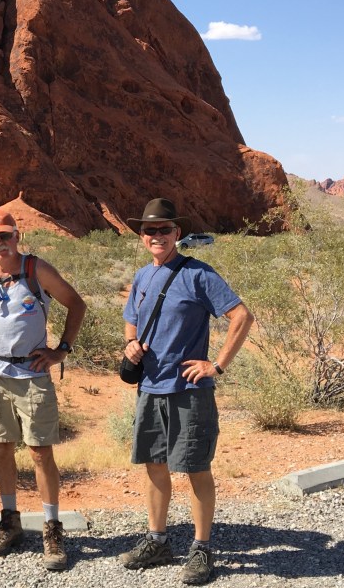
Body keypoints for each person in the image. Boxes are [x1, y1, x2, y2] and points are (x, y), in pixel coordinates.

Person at [118, 199, 253, 585]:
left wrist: (217, 365)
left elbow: (241, 316)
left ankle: (202, 548)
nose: (157, 235)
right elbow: (131, 320)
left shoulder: (198, 274)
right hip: (150, 387)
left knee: (195, 468)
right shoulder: (142, 276)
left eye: (164, 229)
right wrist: (130, 345)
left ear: (177, 233)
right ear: (142, 236)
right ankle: (157, 541)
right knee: (154, 465)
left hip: (189, 390)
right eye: (150, 230)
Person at [0, 208, 86, 572]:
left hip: (32, 373)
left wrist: (61, 350)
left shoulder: (37, 270)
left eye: (5, 236)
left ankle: (52, 528)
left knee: (40, 452)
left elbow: (76, 304)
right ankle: (10, 522)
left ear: (17, 236)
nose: (0, 243)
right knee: (1, 448)